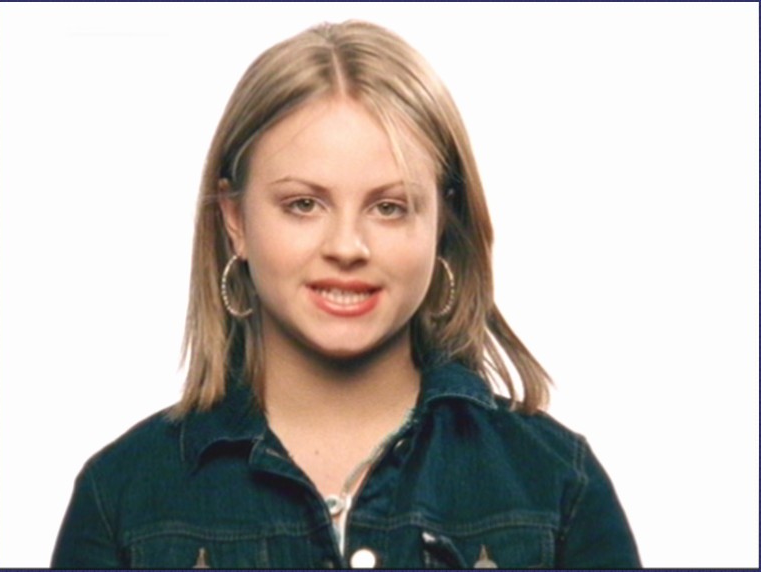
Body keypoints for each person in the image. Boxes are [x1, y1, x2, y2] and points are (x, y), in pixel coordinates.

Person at [52, 20, 640, 569]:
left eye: (390, 207)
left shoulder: (556, 486)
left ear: (442, 224)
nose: (347, 246)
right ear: (235, 219)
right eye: (304, 204)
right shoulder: (121, 498)